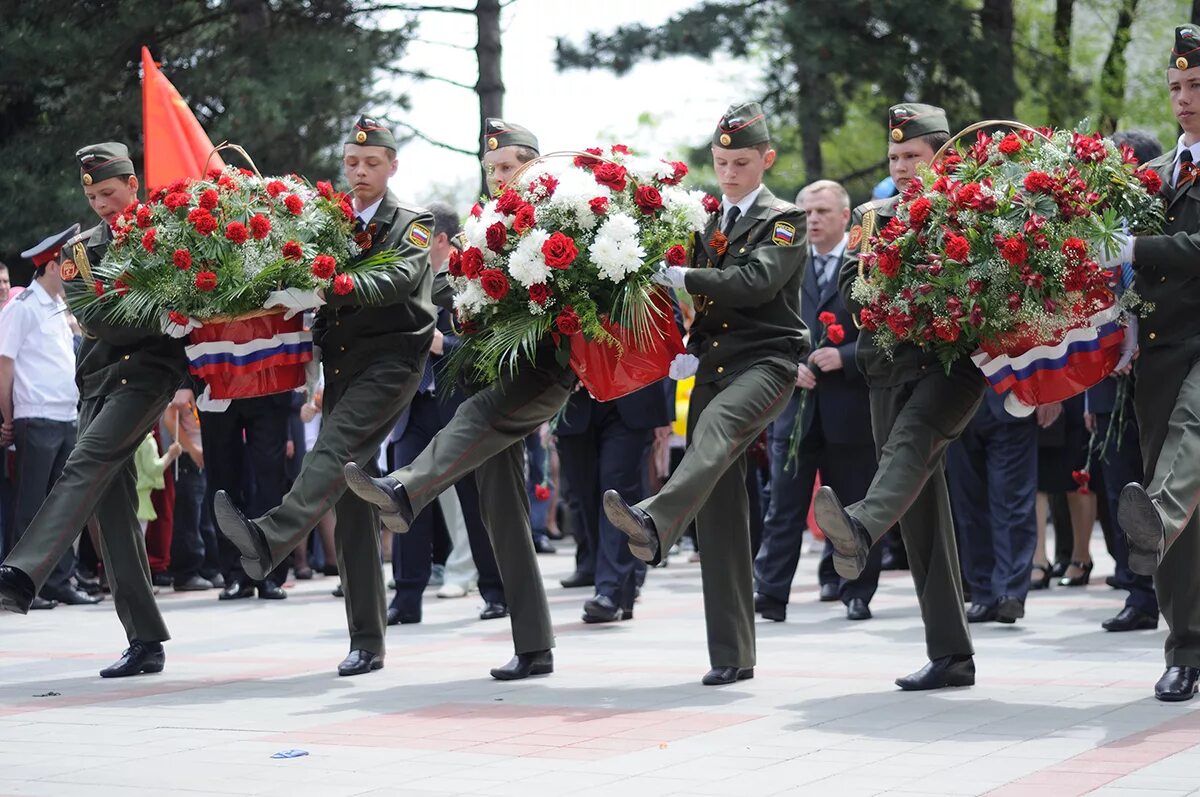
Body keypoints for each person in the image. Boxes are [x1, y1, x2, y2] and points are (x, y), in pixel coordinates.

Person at [343, 119, 571, 681]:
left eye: (508, 167)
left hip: (537, 375)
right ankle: (533, 645)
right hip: (486, 377)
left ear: (534, 167)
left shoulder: (565, 223)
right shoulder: (482, 230)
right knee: (501, 516)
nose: (498, 178)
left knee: (472, 428)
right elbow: (464, 306)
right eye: (491, 169)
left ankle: (403, 488)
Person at [212, 115, 436, 677]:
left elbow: (396, 283)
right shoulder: (325, 223)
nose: (359, 172)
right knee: (351, 496)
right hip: (341, 368)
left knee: (331, 454)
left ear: (392, 166)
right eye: (352, 163)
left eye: (371, 163)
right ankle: (367, 640)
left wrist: (326, 286)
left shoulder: (411, 222)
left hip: (390, 363)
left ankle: (268, 539)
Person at [603, 101, 806, 685]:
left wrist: (685, 277)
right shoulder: (709, 221)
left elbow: (757, 281)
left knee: (712, 435)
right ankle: (732, 655)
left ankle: (655, 518)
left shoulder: (782, 217)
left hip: (767, 362)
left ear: (765, 159)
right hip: (716, 367)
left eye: (741, 162)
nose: (729, 172)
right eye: (721, 161)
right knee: (720, 513)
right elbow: (690, 294)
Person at [0, 142, 189, 677]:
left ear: (134, 184)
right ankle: (145, 640)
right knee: (112, 513)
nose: (102, 204)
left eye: (109, 192)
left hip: (147, 377)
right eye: (92, 196)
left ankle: (21, 572)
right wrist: (162, 313)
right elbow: (96, 318)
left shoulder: (173, 233)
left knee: (84, 461)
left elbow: (196, 297)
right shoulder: (79, 252)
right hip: (99, 381)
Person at [817, 104, 984, 691]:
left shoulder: (973, 207)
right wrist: (903, 286)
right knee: (920, 514)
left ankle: (859, 527)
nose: (903, 166)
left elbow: (983, 284)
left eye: (913, 155)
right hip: (888, 373)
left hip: (949, 368)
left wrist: (905, 287)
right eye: (895, 157)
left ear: (942, 156)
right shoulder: (871, 216)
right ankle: (950, 654)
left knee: (908, 448)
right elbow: (851, 292)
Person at [1111, 25, 1200, 701]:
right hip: (1163, 353)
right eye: (1176, 87)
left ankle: (1161, 515)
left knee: (1179, 460)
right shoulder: (1156, 173)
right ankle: (1185, 646)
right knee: (1168, 491)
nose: (1185, 99)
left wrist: (1137, 247)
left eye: (1196, 86)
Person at [753, 179, 881, 623]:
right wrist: (790, 365)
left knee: (851, 507)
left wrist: (845, 356)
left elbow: (884, 333)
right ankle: (770, 593)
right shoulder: (787, 262)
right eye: (807, 211)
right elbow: (766, 332)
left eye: (824, 211)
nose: (813, 219)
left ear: (846, 216)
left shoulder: (865, 262)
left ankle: (857, 590)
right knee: (783, 505)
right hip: (796, 408)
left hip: (850, 409)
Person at [387, 201, 507, 625]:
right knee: (402, 497)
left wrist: (442, 344)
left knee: (477, 504)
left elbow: (487, 352)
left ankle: (496, 591)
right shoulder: (403, 282)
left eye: (419, 238)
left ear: (441, 240)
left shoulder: (469, 283)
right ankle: (405, 598)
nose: (411, 246)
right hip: (413, 408)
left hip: (460, 408)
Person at [0, 225, 102, 610]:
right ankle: (22, 584)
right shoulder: (22, 308)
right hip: (35, 417)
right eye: (70, 263)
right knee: (31, 506)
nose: (77, 269)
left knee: (64, 506)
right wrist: (7, 417)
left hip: (64, 417)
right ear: (53, 267)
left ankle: (60, 579)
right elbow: (5, 365)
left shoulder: (60, 310)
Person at [1090, 129, 1160, 634]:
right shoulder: (1096, 227)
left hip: (1162, 373)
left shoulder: (1163, 219)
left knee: (1164, 484)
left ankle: (1172, 588)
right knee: (1120, 486)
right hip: (1111, 382)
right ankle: (1138, 592)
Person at [947, 389, 1039, 625]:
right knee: (967, 505)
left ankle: (1011, 591)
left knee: (1012, 501)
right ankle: (983, 593)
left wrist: (1051, 394)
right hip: (957, 405)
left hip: (1012, 396)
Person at [134, 431, 182, 533]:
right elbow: (154, 469)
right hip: (141, 501)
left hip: (130, 496)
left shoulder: (130, 438)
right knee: (138, 538)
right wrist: (170, 455)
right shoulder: (147, 441)